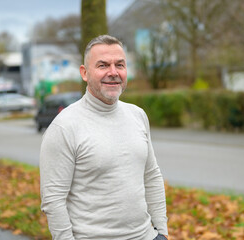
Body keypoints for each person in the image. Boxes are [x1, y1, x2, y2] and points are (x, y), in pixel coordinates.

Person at [40, 35, 168, 240]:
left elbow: (151, 175)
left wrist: (162, 232)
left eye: (120, 64)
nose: (113, 72)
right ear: (84, 73)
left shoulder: (138, 115)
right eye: (103, 65)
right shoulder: (64, 127)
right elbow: (53, 200)